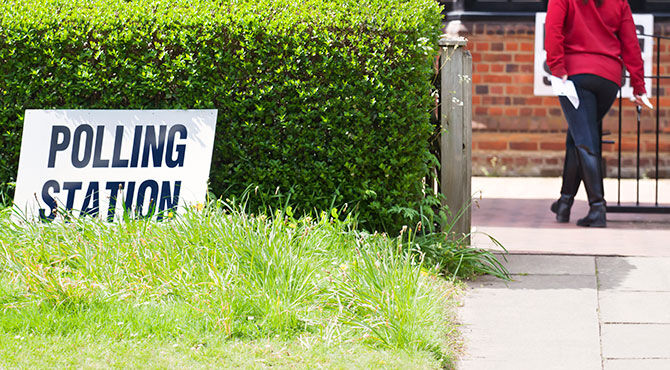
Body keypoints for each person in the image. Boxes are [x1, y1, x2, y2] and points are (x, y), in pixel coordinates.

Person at [544, 0, 649, 227]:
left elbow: (552, 30)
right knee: (578, 136)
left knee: (584, 140)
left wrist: (557, 67)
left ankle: (597, 208)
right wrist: (638, 84)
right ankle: (564, 203)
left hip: (575, 75)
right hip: (609, 80)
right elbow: (631, 43)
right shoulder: (619, 1)